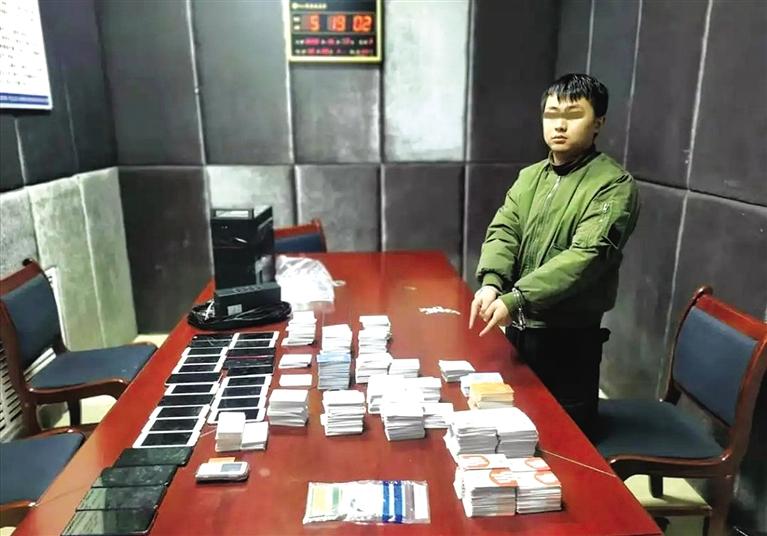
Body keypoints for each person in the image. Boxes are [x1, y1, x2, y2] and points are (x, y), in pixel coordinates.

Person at [469, 73, 640, 438]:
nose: (559, 125)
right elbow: (505, 230)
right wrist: (492, 282)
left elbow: (587, 257)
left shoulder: (613, 185)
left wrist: (517, 297)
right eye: (551, 114)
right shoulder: (530, 177)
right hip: (519, 330)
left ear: (598, 123)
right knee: (512, 433)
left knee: (564, 442)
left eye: (574, 115)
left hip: (569, 341)